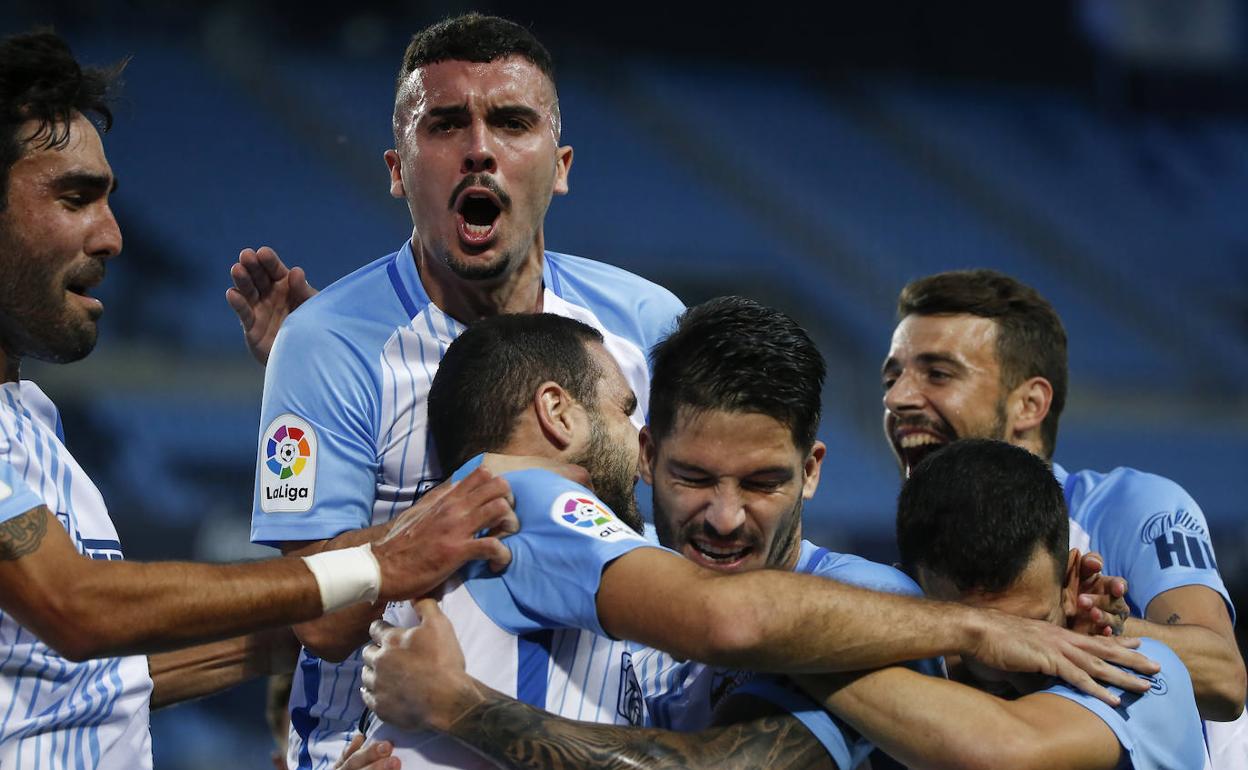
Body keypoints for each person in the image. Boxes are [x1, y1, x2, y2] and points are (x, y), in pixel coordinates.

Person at [0, 29, 516, 770]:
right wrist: (375, 563)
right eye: (75, 197)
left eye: (109, 202)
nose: (112, 236)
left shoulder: (28, 422)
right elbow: (77, 609)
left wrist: (311, 406)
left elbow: (86, 687)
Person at [347, 304, 1156, 770]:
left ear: (811, 471)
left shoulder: (869, 610)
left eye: (763, 483)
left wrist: (456, 706)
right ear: (646, 458)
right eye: (694, 479)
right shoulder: (627, 577)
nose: (726, 517)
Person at [237, 14, 687, 768]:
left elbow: (694, 541)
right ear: (396, 168)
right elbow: (318, 621)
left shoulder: (647, 324)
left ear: (562, 164)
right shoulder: (326, 345)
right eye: (445, 124)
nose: (479, 149)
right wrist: (462, 510)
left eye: (512, 122)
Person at [880, 269, 1246, 766]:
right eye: (892, 376)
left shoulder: (1127, 505)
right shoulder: (915, 558)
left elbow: (1226, 680)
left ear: (1030, 403)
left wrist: (1094, 627)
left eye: (938, 374)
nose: (898, 397)